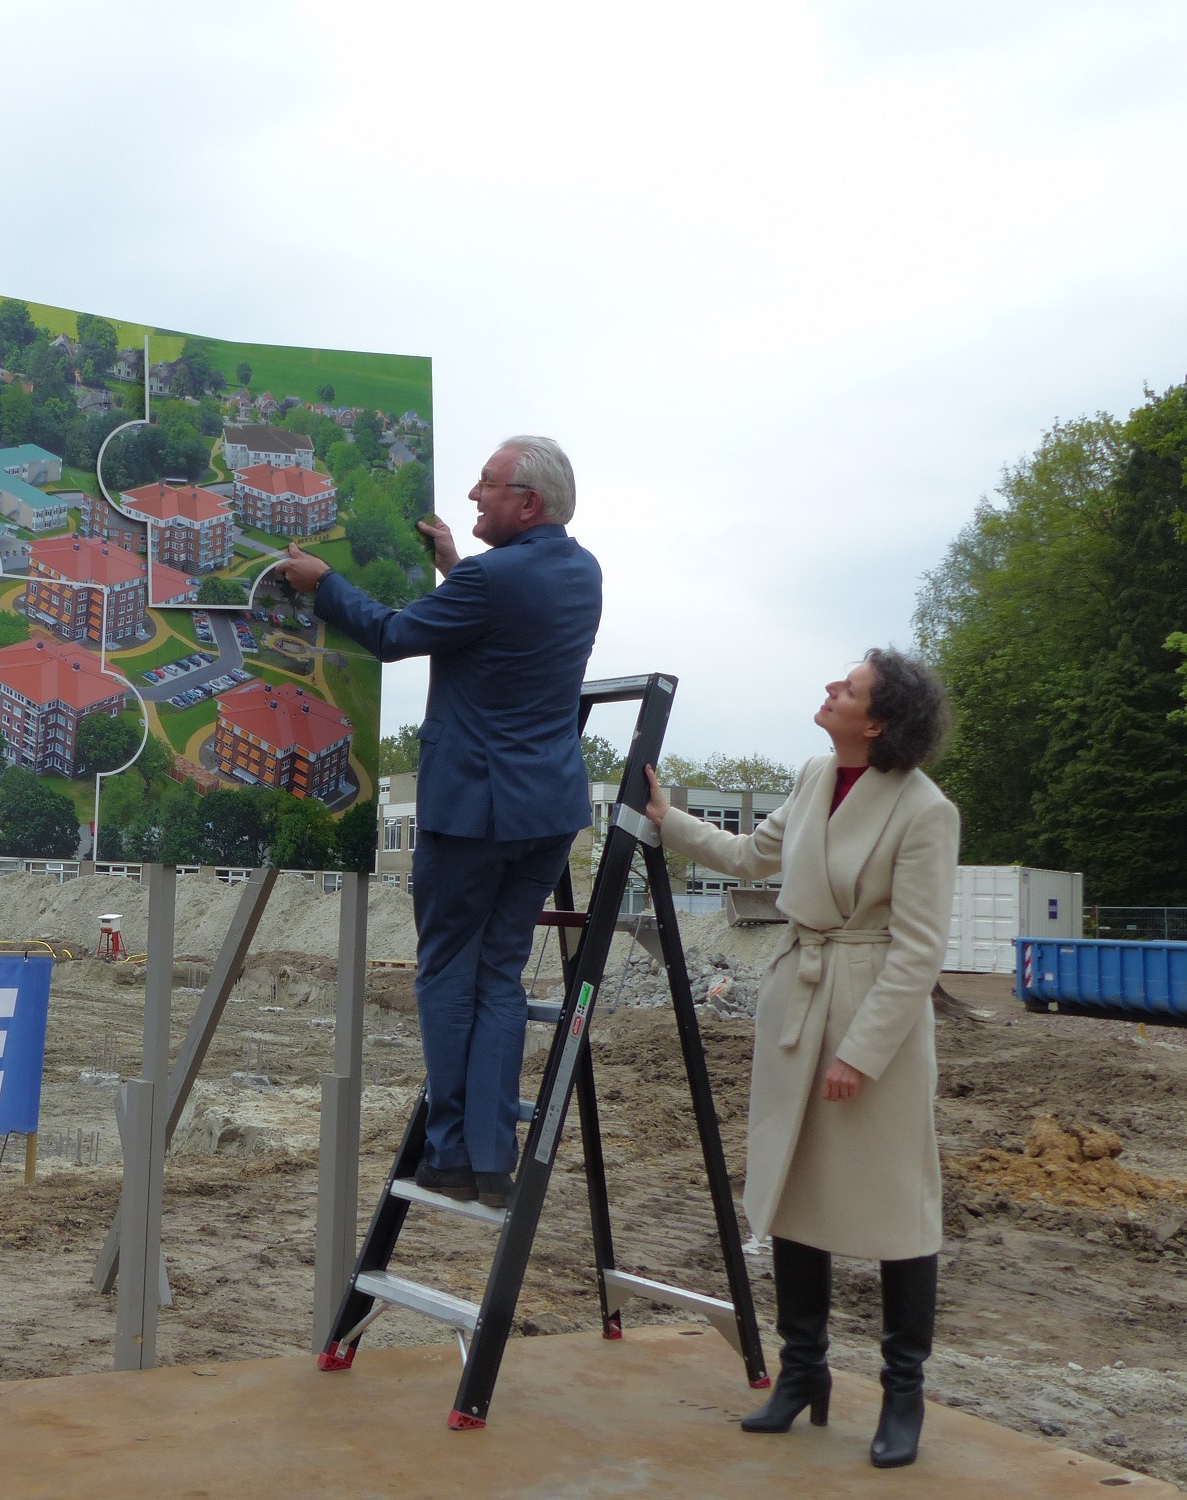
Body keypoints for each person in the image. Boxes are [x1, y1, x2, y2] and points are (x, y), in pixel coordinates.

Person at [643, 650, 958, 1470]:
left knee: (898, 1206)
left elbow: (920, 952)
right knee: (790, 1190)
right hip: (797, 1000)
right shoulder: (818, 773)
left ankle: (902, 1394)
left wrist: (861, 1053)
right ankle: (802, 1374)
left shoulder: (926, 811)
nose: (829, 689)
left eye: (847, 689)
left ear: (879, 720)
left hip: (868, 1012)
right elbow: (753, 858)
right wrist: (668, 818)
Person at [278, 436, 601, 1210]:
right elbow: (501, 617)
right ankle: (488, 1157)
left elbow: (392, 637)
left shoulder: (492, 580)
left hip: (475, 812)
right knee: (498, 974)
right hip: (546, 809)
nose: (471, 496)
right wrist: (458, 565)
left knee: (449, 973)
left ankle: (454, 1151)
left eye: (486, 486)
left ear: (528, 502)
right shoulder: (580, 570)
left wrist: (324, 584)